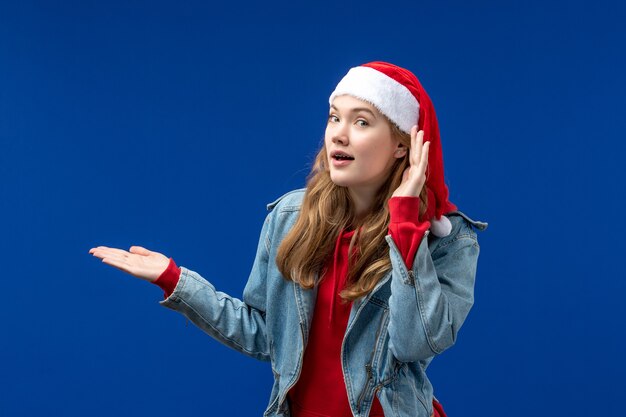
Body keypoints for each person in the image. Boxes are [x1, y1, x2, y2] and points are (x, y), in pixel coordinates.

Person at [89, 61, 488, 417]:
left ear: (403, 145)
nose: (339, 135)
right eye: (334, 118)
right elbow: (264, 335)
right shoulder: (291, 218)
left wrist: (405, 228)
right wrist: (175, 280)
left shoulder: (447, 241)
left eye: (362, 122)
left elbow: (415, 342)